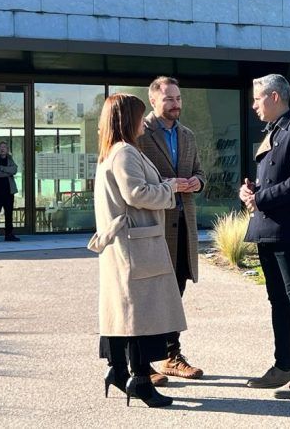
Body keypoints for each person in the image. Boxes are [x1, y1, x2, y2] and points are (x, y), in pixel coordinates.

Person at [87, 93, 188, 408]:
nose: (144, 122)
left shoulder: (112, 152)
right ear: (128, 119)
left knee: (122, 312)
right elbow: (136, 193)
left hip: (125, 243)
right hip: (136, 245)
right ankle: (141, 380)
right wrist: (169, 187)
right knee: (140, 316)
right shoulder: (125, 153)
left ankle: (118, 371)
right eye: (140, 115)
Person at [240, 74, 290, 399]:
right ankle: (283, 366)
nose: (254, 105)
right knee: (277, 300)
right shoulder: (274, 130)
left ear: (274, 97)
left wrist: (262, 198)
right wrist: (251, 191)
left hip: (287, 230)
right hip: (267, 229)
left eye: (257, 98)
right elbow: (274, 177)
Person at [138, 76, 205, 384]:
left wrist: (197, 182)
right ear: (153, 101)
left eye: (178, 98)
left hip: (183, 226)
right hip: (155, 226)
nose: (176, 104)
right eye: (169, 99)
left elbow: (200, 171)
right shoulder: (140, 134)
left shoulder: (187, 135)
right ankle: (143, 362)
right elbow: (135, 182)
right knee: (151, 296)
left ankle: (170, 355)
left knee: (175, 293)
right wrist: (167, 185)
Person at [0, 141, 20, 243]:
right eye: (1, 147)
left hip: (9, 191)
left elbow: (14, 170)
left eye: (4, 147)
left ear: (7, 150)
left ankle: (9, 235)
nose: (2, 149)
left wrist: (2, 168)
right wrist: (7, 172)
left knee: (9, 214)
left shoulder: (10, 159)